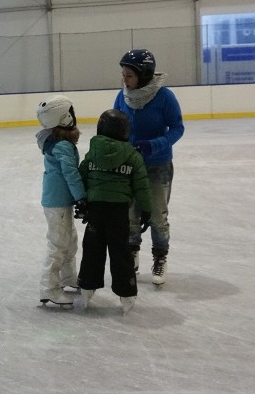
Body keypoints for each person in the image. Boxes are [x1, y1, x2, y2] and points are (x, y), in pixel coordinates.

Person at [114, 49, 184, 285]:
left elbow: (177, 128)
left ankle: (160, 257)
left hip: (157, 165)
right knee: (130, 214)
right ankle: (132, 253)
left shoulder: (164, 97)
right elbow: (115, 125)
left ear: (143, 75)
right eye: (123, 74)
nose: (125, 79)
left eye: (129, 75)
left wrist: (155, 145)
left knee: (157, 215)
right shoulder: (122, 96)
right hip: (130, 166)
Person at [75, 109, 151, 313]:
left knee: (92, 249)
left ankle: (87, 286)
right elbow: (141, 185)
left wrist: (81, 200)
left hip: (96, 212)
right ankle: (126, 292)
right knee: (121, 251)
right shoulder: (132, 157)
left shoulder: (93, 153)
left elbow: (81, 176)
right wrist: (147, 209)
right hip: (118, 213)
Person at [35, 95, 86, 307]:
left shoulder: (57, 141)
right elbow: (71, 174)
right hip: (57, 201)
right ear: (64, 117)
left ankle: (68, 277)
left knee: (69, 240)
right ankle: (49, 288)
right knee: (58, 244)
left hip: (59, 200)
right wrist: (82, 197)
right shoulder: (62, 145)